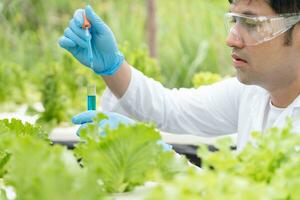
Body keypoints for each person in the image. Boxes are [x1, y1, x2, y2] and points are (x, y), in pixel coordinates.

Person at [59, 0, 300, 151]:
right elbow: (169, 108)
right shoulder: (252, 93)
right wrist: (112, 66)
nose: (231, 39)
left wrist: (152, 153)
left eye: (252, 23)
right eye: (235, 21)